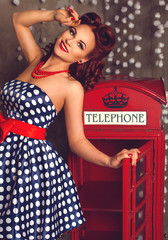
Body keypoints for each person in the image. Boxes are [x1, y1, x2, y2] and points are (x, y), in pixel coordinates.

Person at [0, 7, 140, 240]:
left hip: (28, 164)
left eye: (80, 45)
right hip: (5, 149)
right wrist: (54, 15)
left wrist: (109, 160)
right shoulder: (36, 61)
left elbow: (77, 140)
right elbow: (18, 20)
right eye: (73, 33)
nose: (70, 41)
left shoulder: (71, 87)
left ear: (82, 58)